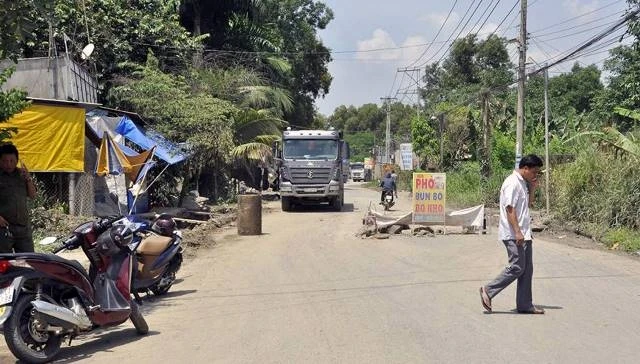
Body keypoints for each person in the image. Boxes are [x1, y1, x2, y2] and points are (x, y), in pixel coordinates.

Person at [479, 154, 544, 314]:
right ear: (525, 168)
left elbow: (528, 205)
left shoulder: (523, 183)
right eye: (534, 172)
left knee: (527, 269)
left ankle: (525, 304)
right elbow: (510, 208)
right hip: (514, 234)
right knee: (517, 267)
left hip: (524, 233)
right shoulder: (512, 183)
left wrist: (533, 188)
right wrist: (517, 232)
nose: (535, 175)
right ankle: (488, 290)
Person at [0, 144, 37, 253]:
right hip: (3, 228)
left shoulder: (22, 174)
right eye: (5, 161)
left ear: (17, 160)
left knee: (29, 259)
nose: (8, 164)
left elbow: (33, 196)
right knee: (4, 263)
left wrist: (28, 179)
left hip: (23, 227)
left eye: (12, 160)